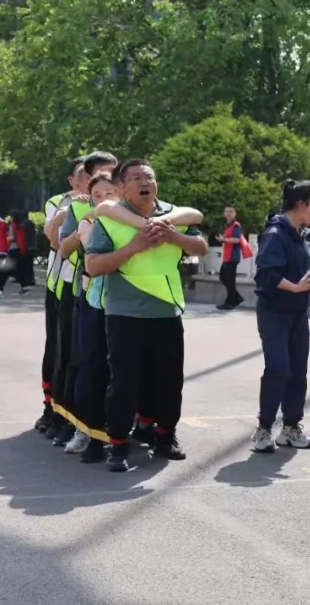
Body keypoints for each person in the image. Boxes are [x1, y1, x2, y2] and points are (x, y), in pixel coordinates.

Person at [86, 159, 209, 472]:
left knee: (169, 381)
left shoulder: (172, 215)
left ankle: (165, 437)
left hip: (166, 311)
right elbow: (94, 265)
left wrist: (173, 236)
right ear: (122, 187)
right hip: (124, 314)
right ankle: (118, 445)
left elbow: (200, 247)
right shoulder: (111, 219)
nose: (144, 182)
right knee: (124, 383)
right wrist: (135, 246)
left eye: (149, 177)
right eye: (136, 178)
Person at [49, 151, 120, 447]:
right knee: (86, 362)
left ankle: (121, 429)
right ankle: (83, 428)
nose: (107, 181)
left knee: (121, 367)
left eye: (113, 174)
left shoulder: (131, 209)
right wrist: (81, 229)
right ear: (87, 180)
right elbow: (61, 247)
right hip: (88, 293)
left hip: (125, 297)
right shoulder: (77, 208)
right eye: (100, 177)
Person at [250, 180, 310, 453]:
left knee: (298, 371)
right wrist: (296, 287)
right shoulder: (276, 234)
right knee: (278, 368)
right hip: (275, 313)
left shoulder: (298, 234)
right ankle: (264, 428)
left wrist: (305, 283)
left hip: (298, 314)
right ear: (301, 204)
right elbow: (266, 275)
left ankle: (290, 428)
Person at [34, 157, 85, 435]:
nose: (91, 180)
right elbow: (54, 240)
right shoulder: (59, 202)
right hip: (61, 285)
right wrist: (68, 213)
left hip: (96, 289)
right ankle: (52, 409)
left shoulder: (113, 203)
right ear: (72, 180)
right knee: (58, 349)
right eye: (84, 175)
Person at [218, 205, 246, 310]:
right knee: (223, 278)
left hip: (232, 257)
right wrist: (223, 239)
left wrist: (224, 239)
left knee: (229, 280)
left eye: (231, 211)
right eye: (226, 211)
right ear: (224, 214)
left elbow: (237, 240)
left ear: (235, 214)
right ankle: (236, 298)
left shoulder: (236, 225)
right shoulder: (228, 226)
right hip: (227, 257)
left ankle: (230, 302)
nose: (228, 213)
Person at [8, 210, 35, 293]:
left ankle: (24, 282)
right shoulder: (26, 224)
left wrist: (6, 239)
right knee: (25, 265)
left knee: (17, 267)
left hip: (17, 247)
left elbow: (12, 237)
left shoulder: (17, 225)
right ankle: (27, 281)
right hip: (25, 247)